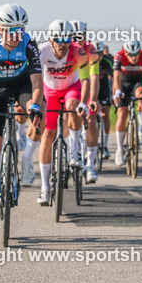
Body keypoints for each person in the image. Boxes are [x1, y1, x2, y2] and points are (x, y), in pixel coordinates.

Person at [0, 4, 44, 225]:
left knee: (33, 109)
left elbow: (36, 81)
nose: (16, 35)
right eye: (11, 29)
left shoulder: (29, 43)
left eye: (20, 29)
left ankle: (25, 158)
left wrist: (34, 105)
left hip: (20, 86)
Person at [33, 20, 89, 206]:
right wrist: (36, 103)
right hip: (50, 91)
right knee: (48, 135)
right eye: (58, 39)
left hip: (71, 87)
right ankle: (45, 188)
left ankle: (74, 151)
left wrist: (84, 103)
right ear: (51, 39)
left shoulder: (78, 50)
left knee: (73, 104)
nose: (63, 43)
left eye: (67, 38)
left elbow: (86, 79)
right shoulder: (42, 51)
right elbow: (35, 80)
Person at [112, 39, 142, 165]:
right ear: (125, 53)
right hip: (123, 83)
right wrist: (117, 91)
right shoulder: (118, 57)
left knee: (141, 96)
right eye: (130, 54)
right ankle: (119, 150)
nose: (134, 57)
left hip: (138, 82)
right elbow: (116, 76)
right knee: (122, 114)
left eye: (136, 54)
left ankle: (141, 130)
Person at [72, 20, 100, 183]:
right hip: (70, 86)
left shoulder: (91, 50)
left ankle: (90, 166)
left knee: (91, 119)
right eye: (74, 37)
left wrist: (94, 100)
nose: (77, 40)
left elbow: (94, 77)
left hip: (86, 86)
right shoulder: (68, 49)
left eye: (80, 36)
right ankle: (69, 152)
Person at [95, 42, 114, 160]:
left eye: (100, 54)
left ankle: (105, 144)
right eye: (96, 54)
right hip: (91, 88)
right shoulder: (86, 59)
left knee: (105, 112)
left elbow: (114, 76)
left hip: (103, 88)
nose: (98, 57)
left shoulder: (107, 60)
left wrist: (115, 92)